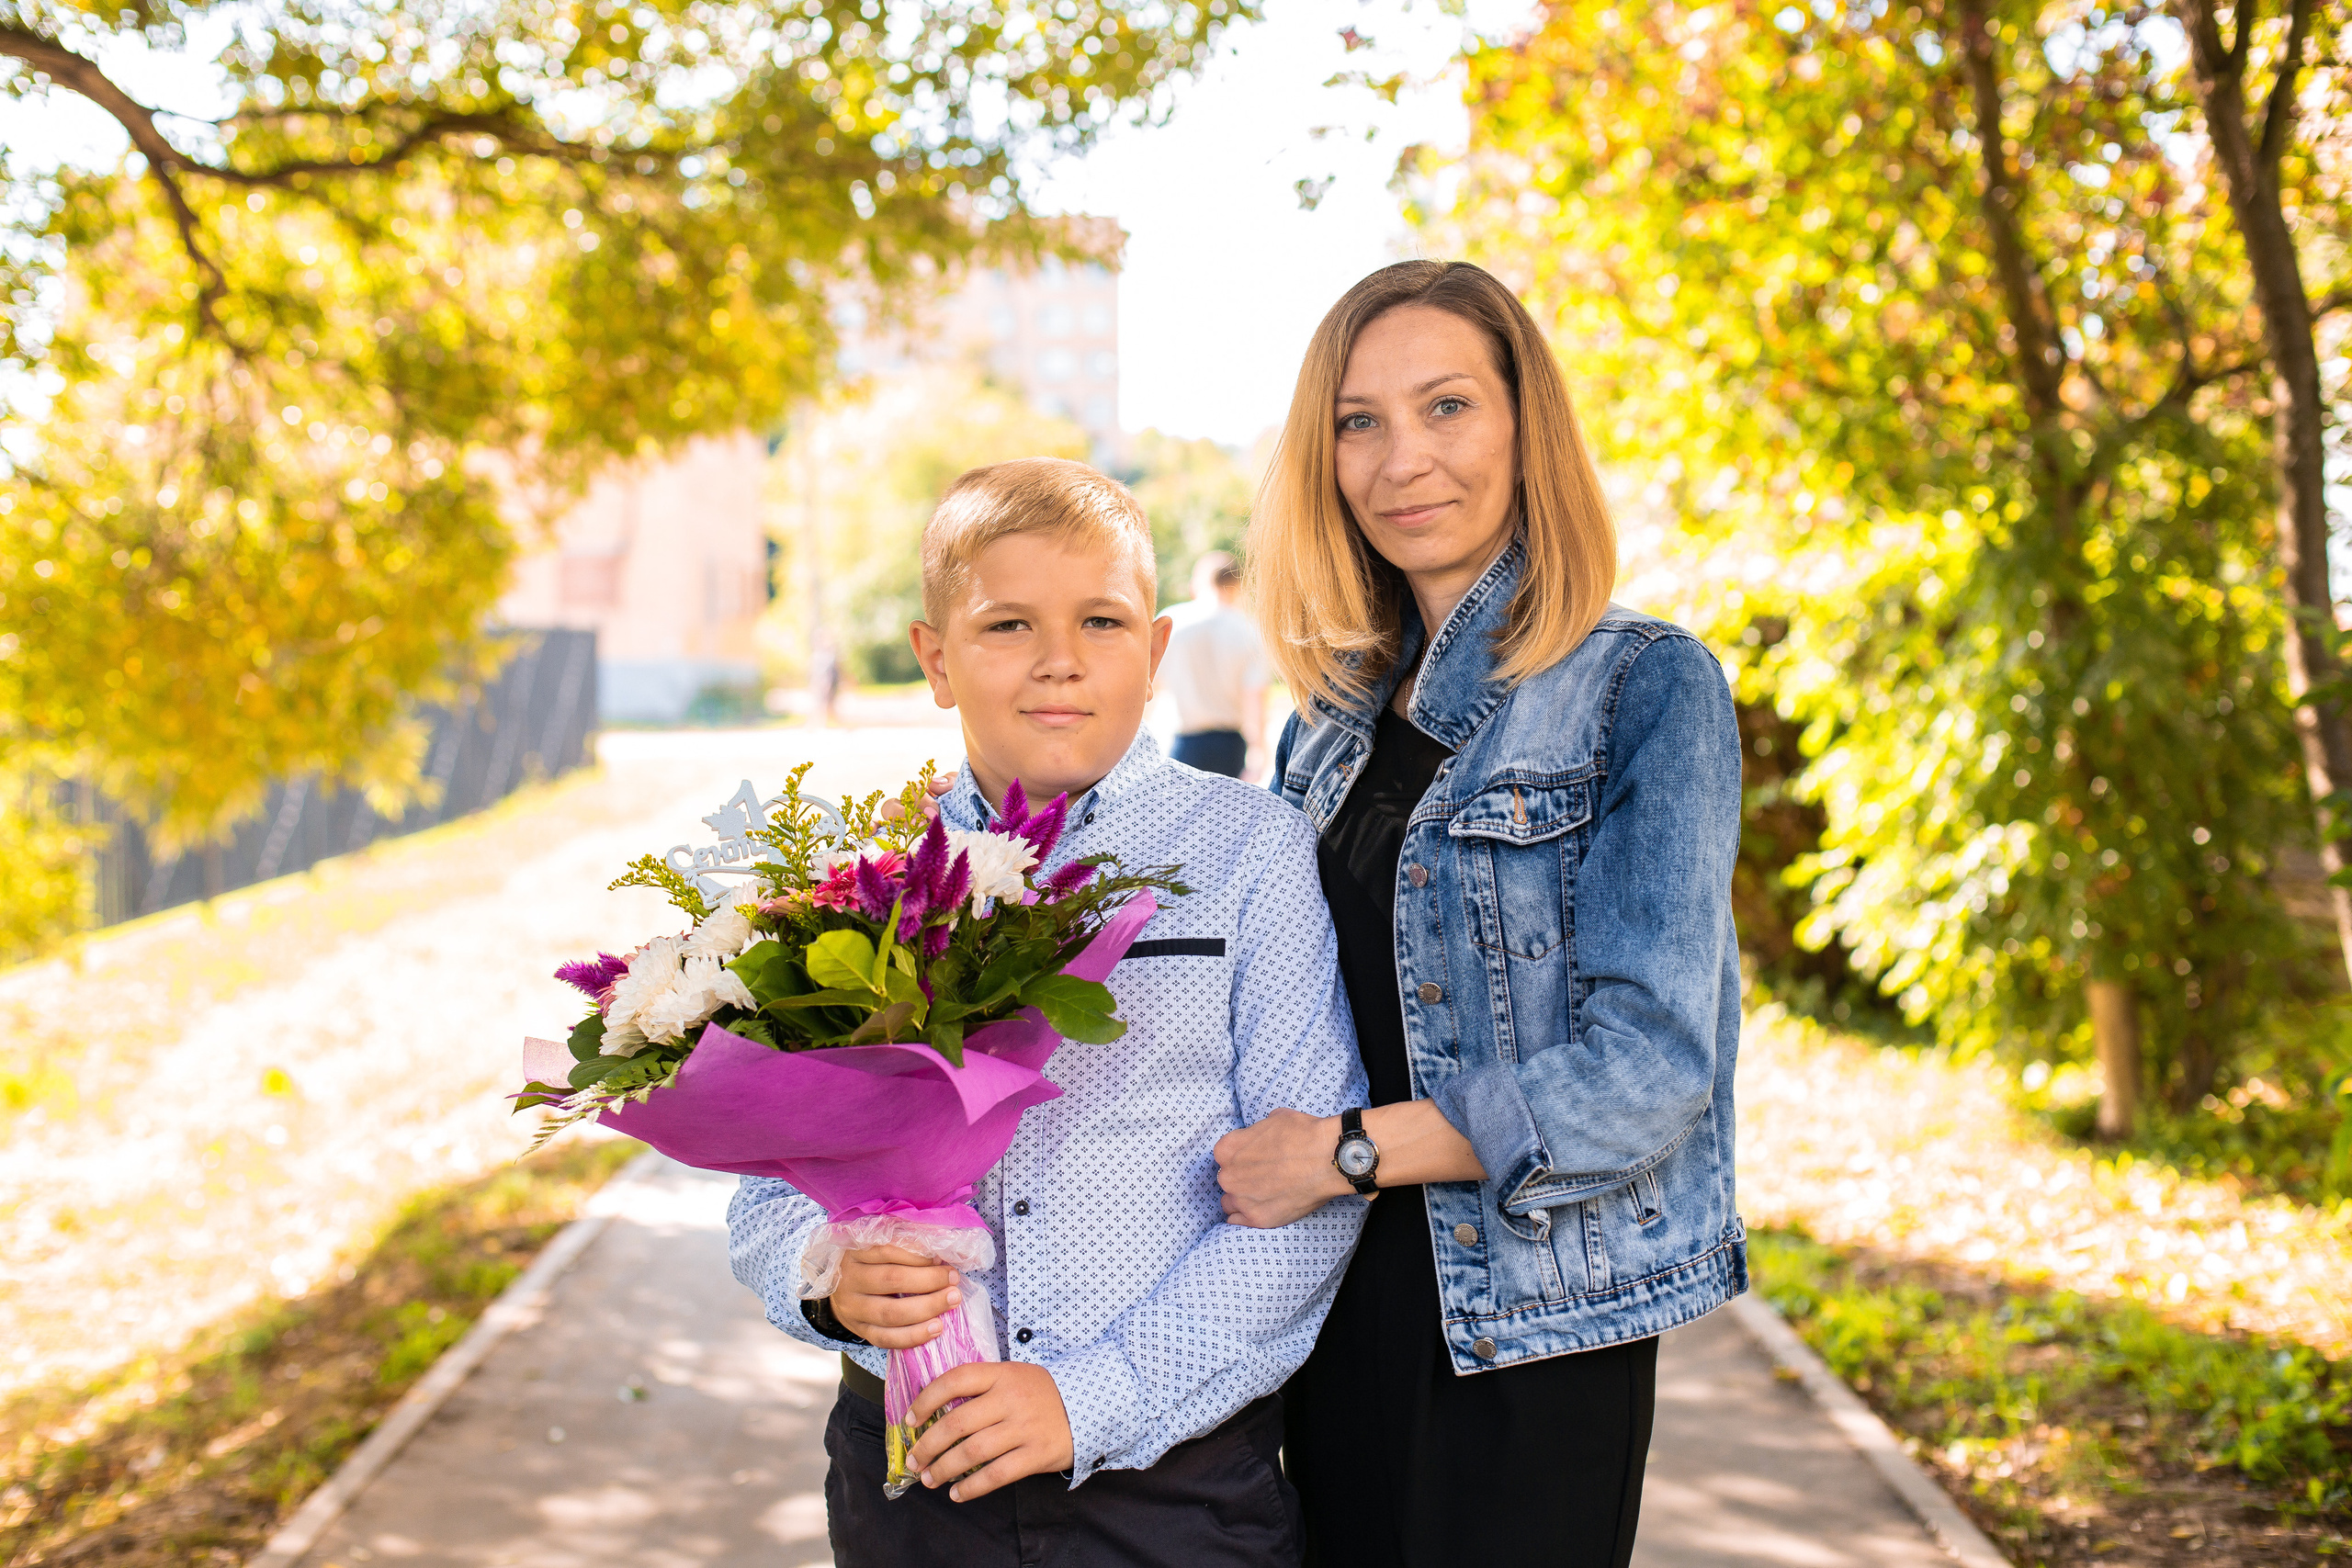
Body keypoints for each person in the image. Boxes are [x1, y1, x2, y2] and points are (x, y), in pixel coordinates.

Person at [727, 457, 1370, 1568]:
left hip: (1177, 1484)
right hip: (913, 1475)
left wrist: (1091, 1398)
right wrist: (825, 1277)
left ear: (1158, 651)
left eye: (1102, 622)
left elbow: (1308, 1199)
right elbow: (764, 1184)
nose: (1060, 661)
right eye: (1008, 625)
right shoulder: (858, 877)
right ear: (934, 658)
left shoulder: (1249, 853)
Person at [1210, 261, 1746, 1568]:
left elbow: (1652, 1069)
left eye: (1446, 406)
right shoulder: (1322, 728)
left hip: (1528, 1327)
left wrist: (1348, 1150)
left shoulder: (1644, 684)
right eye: (1359, 421)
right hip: (1322, 1315)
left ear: (1523, 425)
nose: (1404, 458)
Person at [1161, 551, 1269, 780]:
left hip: (1184, 741)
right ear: (1236, 586)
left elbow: (1147, 690)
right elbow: (1255, 697)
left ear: (1197, 582)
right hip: (1230, 747)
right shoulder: (1248, 631)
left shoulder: (1171, 623)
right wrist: (1259, 752)